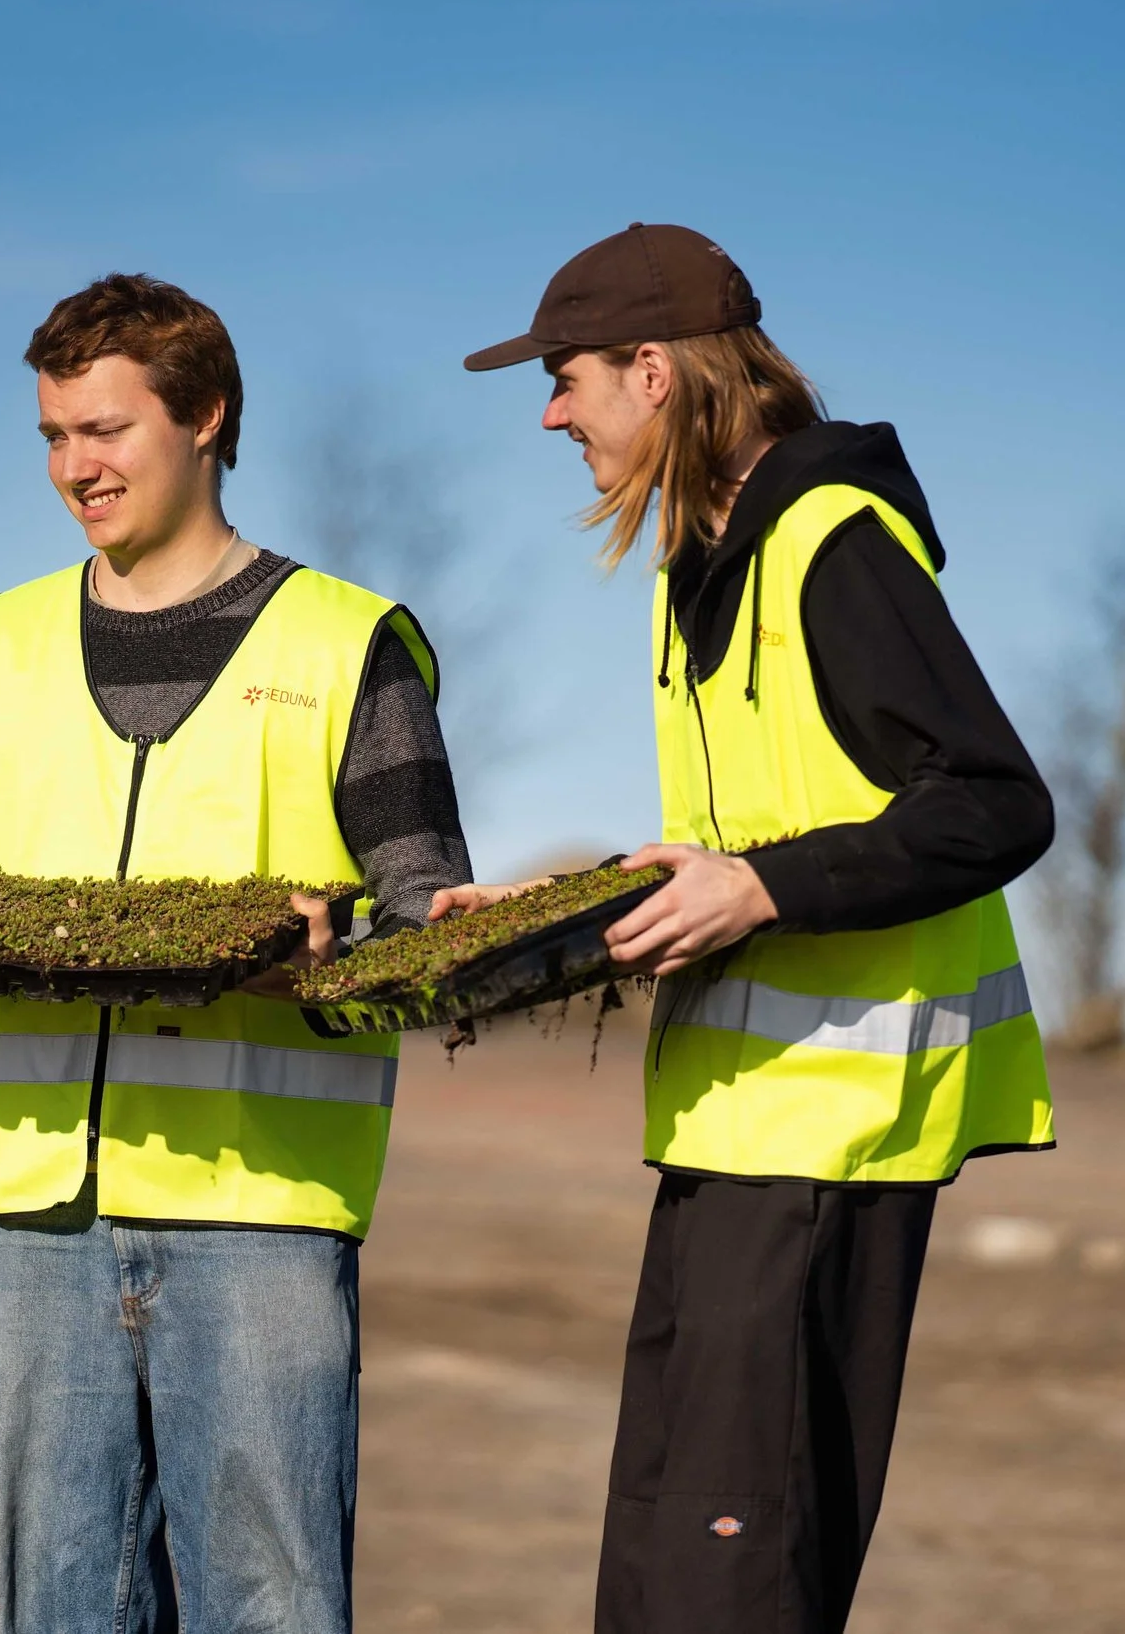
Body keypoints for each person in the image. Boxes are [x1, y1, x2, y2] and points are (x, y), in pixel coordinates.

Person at [452, 224, 1056, 1634]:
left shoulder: (832, 542)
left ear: (652, 371)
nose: (551, 412)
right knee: (663, 1567)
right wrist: (563, 904)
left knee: (740, 1583)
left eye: (565, 378)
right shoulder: (704, 559)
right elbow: (748, 841)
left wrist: (763, 888)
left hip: (830, 1147)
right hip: (732, 1136)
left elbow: (994, 802)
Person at [0, 273, 473, 1633]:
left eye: (104, 428)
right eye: (50, 435)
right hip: (35, 1221)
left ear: (204, 416)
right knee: (28, 1608)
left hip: (261, 1222)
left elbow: (425, 930)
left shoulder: (347, 644)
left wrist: (309, 962)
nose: (73, 465)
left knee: (270, 1607)